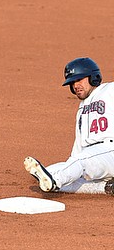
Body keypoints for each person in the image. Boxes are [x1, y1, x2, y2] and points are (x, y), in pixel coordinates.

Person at [24, 57, 114, 195]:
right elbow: (79, 146)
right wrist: (71, 166)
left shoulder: (109, 90)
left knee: (73, 166)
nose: (75, 86)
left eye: (79, 80)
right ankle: (106, 188)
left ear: (93, 77)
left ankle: (55, 182)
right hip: (92, 158)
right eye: (72, 83)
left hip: (110, 150)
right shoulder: (81, 108)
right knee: (50, 171)